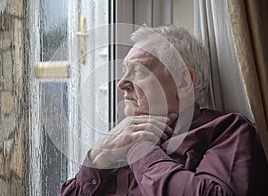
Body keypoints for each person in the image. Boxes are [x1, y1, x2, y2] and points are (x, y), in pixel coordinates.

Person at [61, 25, 268, 196]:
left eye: (139, 71)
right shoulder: (117, 141)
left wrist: (141, 148)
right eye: (124, 71)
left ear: (183, 82)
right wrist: (98, 155)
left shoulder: (227, 131)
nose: (121, 83)